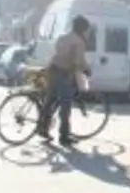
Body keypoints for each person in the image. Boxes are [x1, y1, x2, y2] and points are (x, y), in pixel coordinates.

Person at [36, 15, 91, 146]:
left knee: (51, 100)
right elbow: (78, 61)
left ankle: (42, 127)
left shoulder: (63, 37)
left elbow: (60, 53)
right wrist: (86, 70)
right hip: (63, 73)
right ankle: (64, 136)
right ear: (82, 29)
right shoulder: (78, 42)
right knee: (66, 105)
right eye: (86, 29)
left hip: (52, 69)